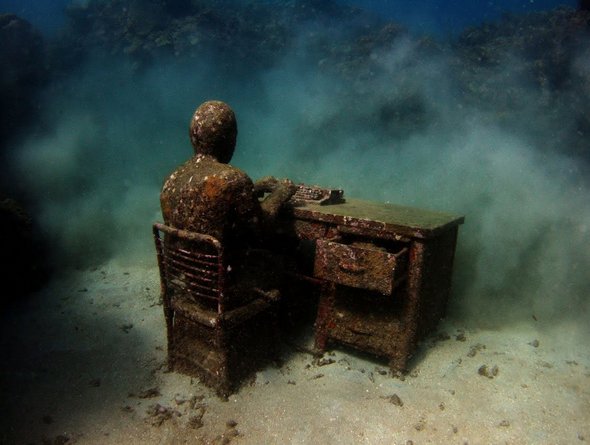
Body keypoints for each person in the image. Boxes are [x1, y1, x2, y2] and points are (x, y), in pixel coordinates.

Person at [160, 100, 296, 300]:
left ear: (193, 136)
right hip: (224, 287)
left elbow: (206, 204)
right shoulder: (233, 179)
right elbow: (262, 229)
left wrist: (254, 189)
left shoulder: (173, 178)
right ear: (228, 138)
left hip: (190, 282)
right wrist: (282, 193)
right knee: (284, 263)